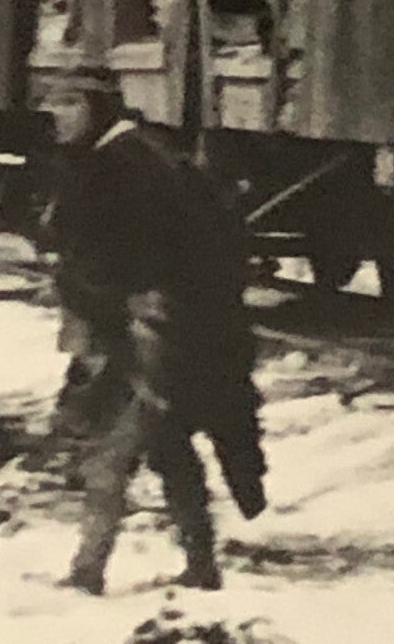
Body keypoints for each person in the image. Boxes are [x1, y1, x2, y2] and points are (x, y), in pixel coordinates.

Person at [41, 76, 267, 594]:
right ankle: (200, 563)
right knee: (166, 445)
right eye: (53, 103)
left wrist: (120, 303)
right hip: (152, 329)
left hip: (149, 334)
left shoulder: (127, 164)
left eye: (70, 103)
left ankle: (88, 571)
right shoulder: (117, 157)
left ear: (98, 108)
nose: (58, 114)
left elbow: (140, 254)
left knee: (114, 448)